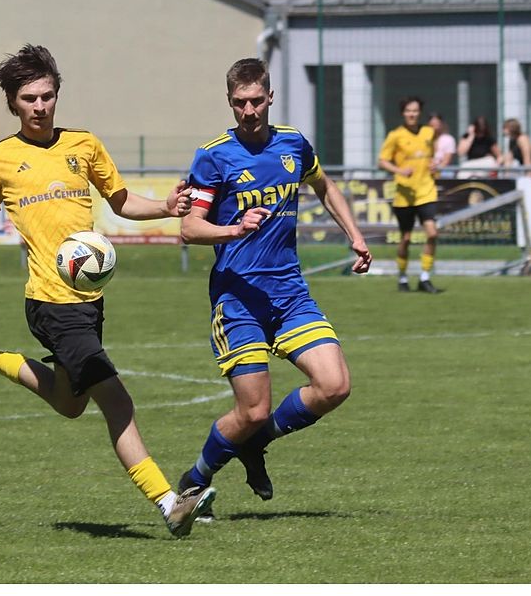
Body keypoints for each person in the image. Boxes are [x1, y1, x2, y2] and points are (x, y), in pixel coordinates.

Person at [0, 44, 215, 538]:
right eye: (29, 98)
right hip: (50, 304)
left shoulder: (84, 145)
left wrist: (167, 206)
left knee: (70, 403)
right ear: (12, 103)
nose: (40, 106)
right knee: (116, 401)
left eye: (47, 96)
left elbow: (121, 201)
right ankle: (169, 502)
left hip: (89, 302)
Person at [176, 58, 372, 518]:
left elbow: (324, 187)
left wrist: (355, 235)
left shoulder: (293, 145)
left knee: (334, 385)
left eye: (256, 101)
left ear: (270, 97)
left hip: (289, 291)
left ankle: (254, 445)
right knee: (253, 410)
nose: (249, 110)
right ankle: (195, 478)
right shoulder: (214, 155)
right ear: (230, 102)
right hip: (237, 296)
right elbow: (189, 227)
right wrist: (233, 230)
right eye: (240, 103)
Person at [378, 97, 442, 294]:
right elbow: (382, 161)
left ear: (419, 112)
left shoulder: (428, 132)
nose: (412, 114)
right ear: (403, 113)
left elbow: (433, 156)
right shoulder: (395, 136)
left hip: (426, 191)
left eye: (415, 110)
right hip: (404, 195)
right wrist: (399, 170)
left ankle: (424, 277)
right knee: (405, 238)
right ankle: (403, 277)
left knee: (432, 233)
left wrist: (434, 164)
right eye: (408, 111)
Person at [428, 112, 456, 178]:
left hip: (443, 171)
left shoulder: (448, 139)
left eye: (436, 124)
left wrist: (436, 169)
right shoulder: (425, 139)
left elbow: (446, 161)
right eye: (432, 125)